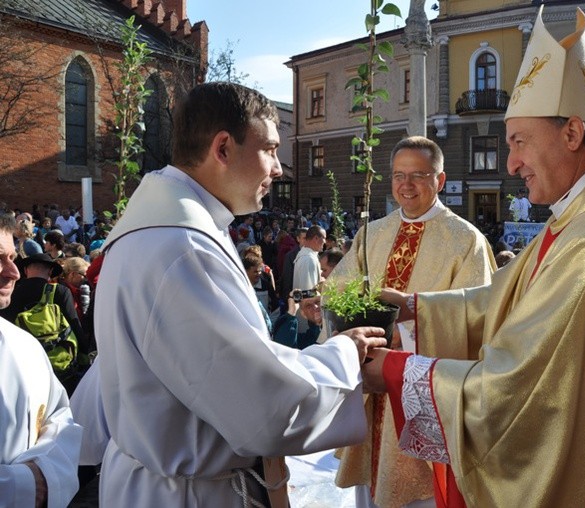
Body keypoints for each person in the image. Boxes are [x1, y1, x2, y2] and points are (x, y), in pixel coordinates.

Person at [363, 9, 585, 506]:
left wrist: (394, 372)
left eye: (519, 141)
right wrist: (418, 308)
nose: (511, 162)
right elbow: (508, 295)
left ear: (571, 133)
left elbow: (516, 391)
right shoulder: (582, 215)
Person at [88, 82, 387, 507]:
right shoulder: (182, 247)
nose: (279, 168)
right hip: (191, 494)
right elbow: (259, 404)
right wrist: (344, 353)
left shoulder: (168, 229)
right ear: (223, 148)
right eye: (269, 149)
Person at [332, 135, 496, 508]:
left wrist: (410, 315)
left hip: (421, 392)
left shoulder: (465, 241)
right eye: (398, 175)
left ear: (439, 180)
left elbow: (478, 320)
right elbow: (340, 291)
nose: (405, 186)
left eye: (418, 176)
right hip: (372, 391)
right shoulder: (372, 233)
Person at [0, 212, 82, 507]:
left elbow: (60, 418)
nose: (13, 273)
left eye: (13, 258)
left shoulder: (24, 346)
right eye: (0, 259)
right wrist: (20, 486)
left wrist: (47, 475)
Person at [0, 252, 86, 394]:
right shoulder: (59, 291)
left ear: (26, 270)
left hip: (23, 366)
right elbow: (74, 324)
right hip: (59, 367)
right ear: (51, 271)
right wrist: (84, 355)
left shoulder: (11, 293)